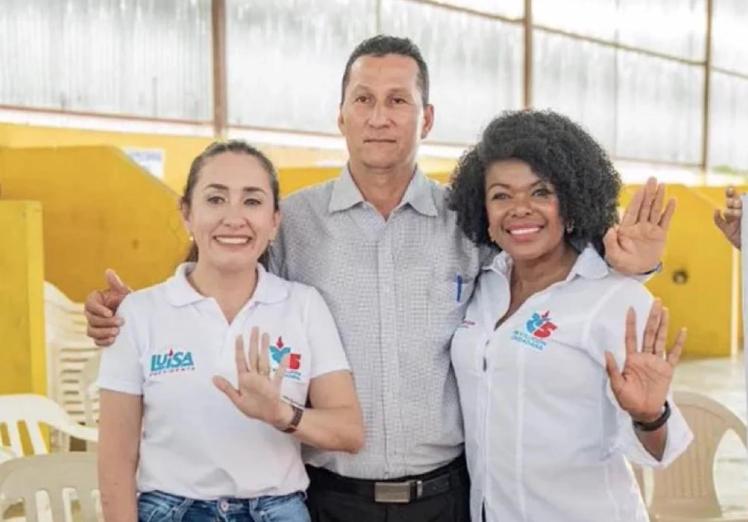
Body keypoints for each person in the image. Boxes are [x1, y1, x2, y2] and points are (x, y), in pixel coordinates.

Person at [86, 36, 671, 522]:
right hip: (327, 498)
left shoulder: (469, 220)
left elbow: (545, 258)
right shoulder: (295, 222)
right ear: (340, 114)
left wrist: (631, 264)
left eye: (398, 100)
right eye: (363, 99)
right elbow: (223, 271)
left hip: (449, 499)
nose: (380, 116)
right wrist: (137, 313)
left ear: (428, 117)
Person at [97, 140, 363, 522]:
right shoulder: (139, 314)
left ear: (274, 221)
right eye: (216, 199)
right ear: (187, 213)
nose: (234, 218)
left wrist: (281, 413)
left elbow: (348, 431)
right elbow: (115, 464)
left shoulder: (304, 306)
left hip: (279, 511)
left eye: (252, 201)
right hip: (172, 510)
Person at [448, 110, 693, 522]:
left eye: (541, 192)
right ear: (482, 208)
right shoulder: (482, 285)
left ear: (572, 201)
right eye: (501, 195)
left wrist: (649, 416)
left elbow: (661, 451)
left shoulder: (615, 297)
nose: (520, 209)